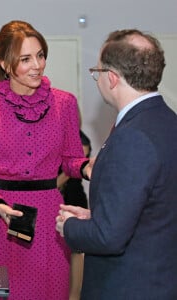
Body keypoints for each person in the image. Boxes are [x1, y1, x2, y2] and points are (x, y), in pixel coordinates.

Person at [0, 20, 92, 300]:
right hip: (6, 217)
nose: (37, 65)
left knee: (53, 291)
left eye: (40, 55)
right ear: (5, 63)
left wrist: (86, 167)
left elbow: (72, 159)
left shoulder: (64, 103)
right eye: (25, 59)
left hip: (50, 215)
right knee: (7, 293)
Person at [56, 29, 177, 299]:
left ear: (111, 78)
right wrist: (96, 218)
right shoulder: (168, 122)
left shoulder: (133, 136)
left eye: (97, 72)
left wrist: (71, 227)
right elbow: (153, 210)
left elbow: (109, 238)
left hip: (129, 286)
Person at [57, 129, 91, 300]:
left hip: (72, 196)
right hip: (61, 197)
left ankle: (74, 296)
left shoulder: (79, 136)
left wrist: (52, 185)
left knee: (76, 251)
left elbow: (82, 156)